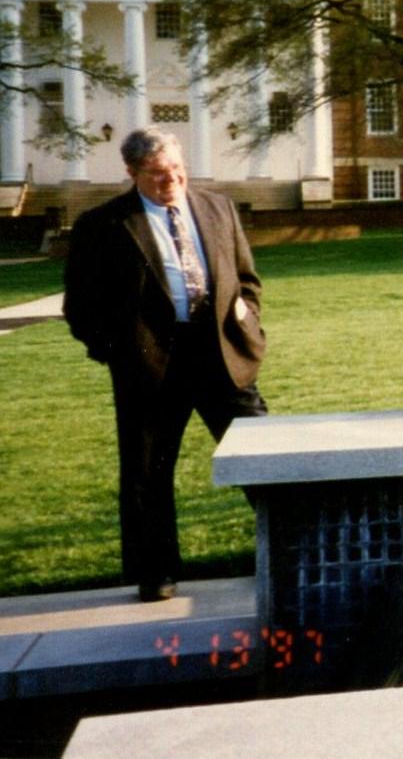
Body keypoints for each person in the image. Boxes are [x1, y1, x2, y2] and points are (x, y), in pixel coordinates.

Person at [62, 127, 268, 601]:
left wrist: (249, 324)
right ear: (132, 173)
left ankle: (290, 549)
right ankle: (156, 572)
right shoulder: (104, 225)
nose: (171, 180)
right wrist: (116, 351)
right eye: (157, 174)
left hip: (221, 355)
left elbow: (246, 279)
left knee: (263, 453)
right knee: (148, 471)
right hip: (150, 365)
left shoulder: (218, 207)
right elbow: (81, 307)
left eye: (178, 170)